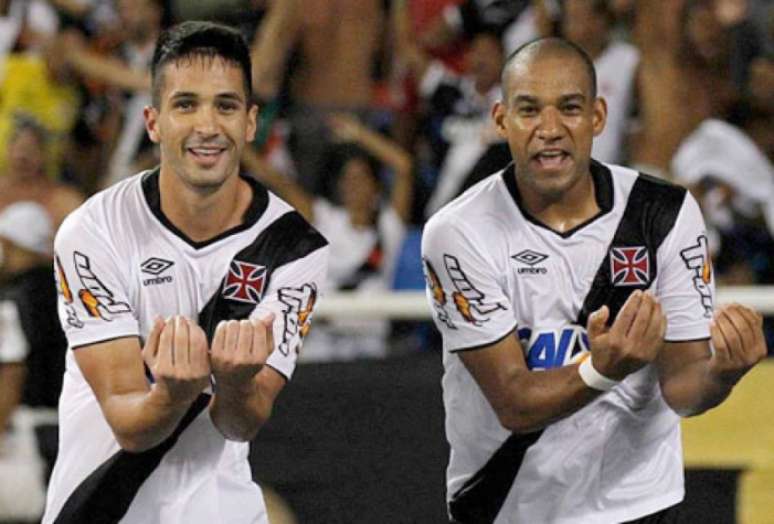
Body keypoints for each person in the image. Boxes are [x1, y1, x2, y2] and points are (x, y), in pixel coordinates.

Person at [421, 37, 767, 523]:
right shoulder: (459, 232)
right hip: (507, 506)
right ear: (500, 120)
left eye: (569, 108)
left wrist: (723, 373)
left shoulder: (662, 215)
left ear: (598, 117)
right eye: (529, 110)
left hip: (636, 504)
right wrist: (602, 368)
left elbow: (685, 387)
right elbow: (514, 402)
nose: (550, 129)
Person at [42, 21, 329, 524]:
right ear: (153, 122)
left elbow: (243, 422)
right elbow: (129, 425)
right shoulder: (93, 232)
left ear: (250, 122)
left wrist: (237, 385)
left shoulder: (294, 249)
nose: (207, 126)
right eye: (185, 104)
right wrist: (175, 393)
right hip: (99, 510)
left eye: (225, 105)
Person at [244, 113, 413, 360]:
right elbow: (269, 175)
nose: (352, 184)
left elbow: (404, 166)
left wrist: (358, 133)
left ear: (375, 186)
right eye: (347, 178)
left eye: (360, 177)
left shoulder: (389, 227)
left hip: (370, 349)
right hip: (321, 346)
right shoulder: (323, 219)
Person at [0, 201, 64, 522]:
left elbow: (11, 372)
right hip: (70, 427)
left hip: (26, 434)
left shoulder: (11, 301)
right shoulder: (72, 294)